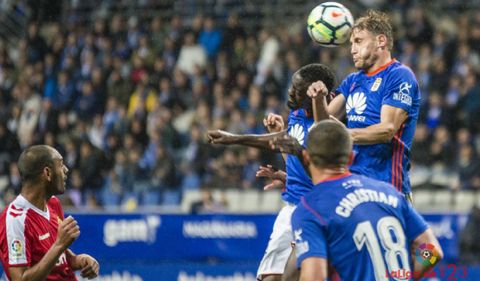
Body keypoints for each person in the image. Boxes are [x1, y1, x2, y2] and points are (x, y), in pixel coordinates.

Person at [207, 63, 336, 281]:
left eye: (298, 89)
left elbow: (321, 171)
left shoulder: (332, 127)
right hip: (292, 206)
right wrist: (234, 138)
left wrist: (237, 139)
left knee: (293, 276)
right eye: (291, 86)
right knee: (270, 278)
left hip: (316, 211)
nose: (290, 92)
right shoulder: (297, 114)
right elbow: (287, 145)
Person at [292, 120, 442, 281]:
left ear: (306, 158)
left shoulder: (310, 208)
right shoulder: (390, 193)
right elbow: (433, 252)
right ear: (350, 158)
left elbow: (315, 277)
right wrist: (410, 274)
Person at [307, 10, 421, 202]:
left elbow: (387, 130)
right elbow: (323, 126)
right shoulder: (353, 80)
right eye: (351, 43)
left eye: (358, 41)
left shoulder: (399, 75)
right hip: (352, 188)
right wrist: (318, 99)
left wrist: (343, 135)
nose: (352, 49)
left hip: (388, 189)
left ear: (381, 41)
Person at [0, 145, 99, 281]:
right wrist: (59, 245)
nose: (66, 170)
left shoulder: (53, 203)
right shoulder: (15, 219)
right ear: (47, 173)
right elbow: (20, 279)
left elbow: (60, 258)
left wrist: (79, 260)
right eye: (61, 164)